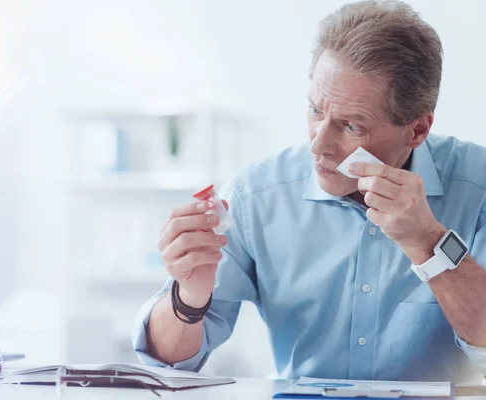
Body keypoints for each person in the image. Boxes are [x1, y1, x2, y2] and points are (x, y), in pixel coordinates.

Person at [132, 0, 486, 383]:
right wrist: (188, 296)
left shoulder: (477, 187)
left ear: (416, 130)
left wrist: (429, 241)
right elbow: (166, 363)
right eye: (316, 111)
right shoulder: (257, 197)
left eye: (351, 126)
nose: (319, 146)